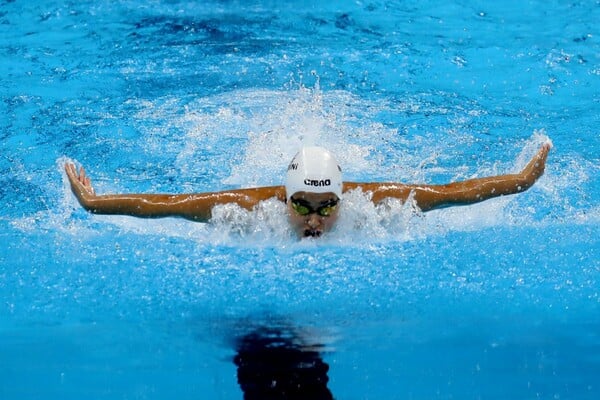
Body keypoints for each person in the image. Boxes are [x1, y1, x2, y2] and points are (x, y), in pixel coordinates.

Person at [65, 142, 551, 238]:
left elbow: (453, 192)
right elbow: (167, 205)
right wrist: (94, 204)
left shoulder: (373, 202)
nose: (314, 219)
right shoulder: (250, 208)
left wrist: (522, 181)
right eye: (301, 204)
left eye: (326, 206)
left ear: (343, 198)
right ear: (285, 196)